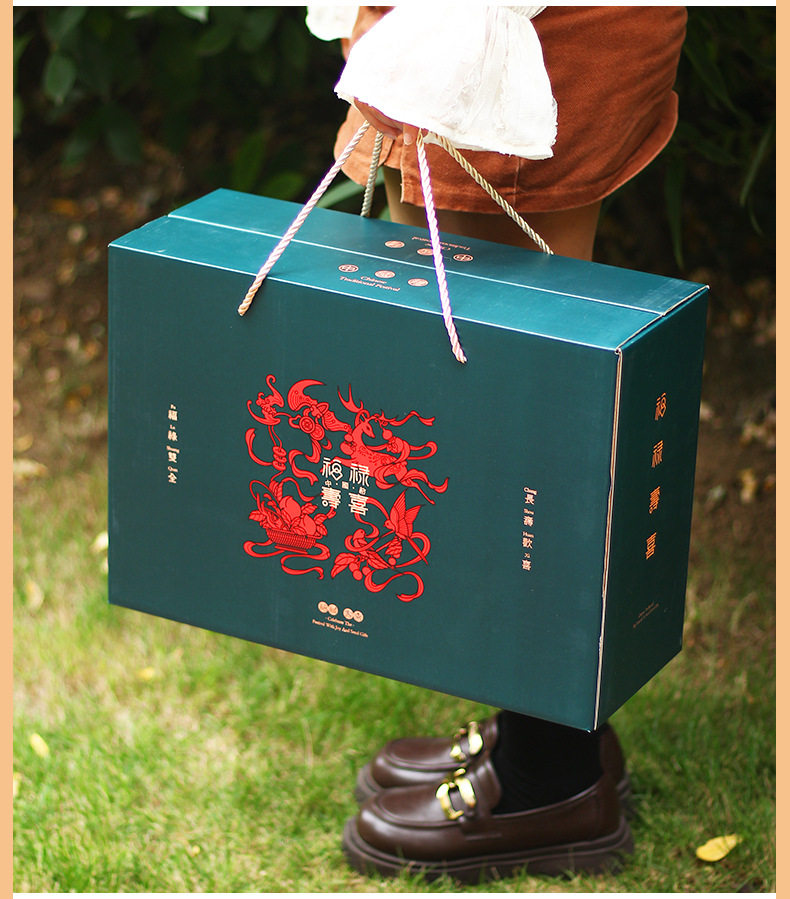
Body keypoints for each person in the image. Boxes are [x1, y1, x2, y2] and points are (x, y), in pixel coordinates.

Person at [307, 5, 688, 882]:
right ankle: (549, 733)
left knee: (514, 404)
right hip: (462, 26)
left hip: (502, 29)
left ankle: (550, 778)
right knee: (489, 395)